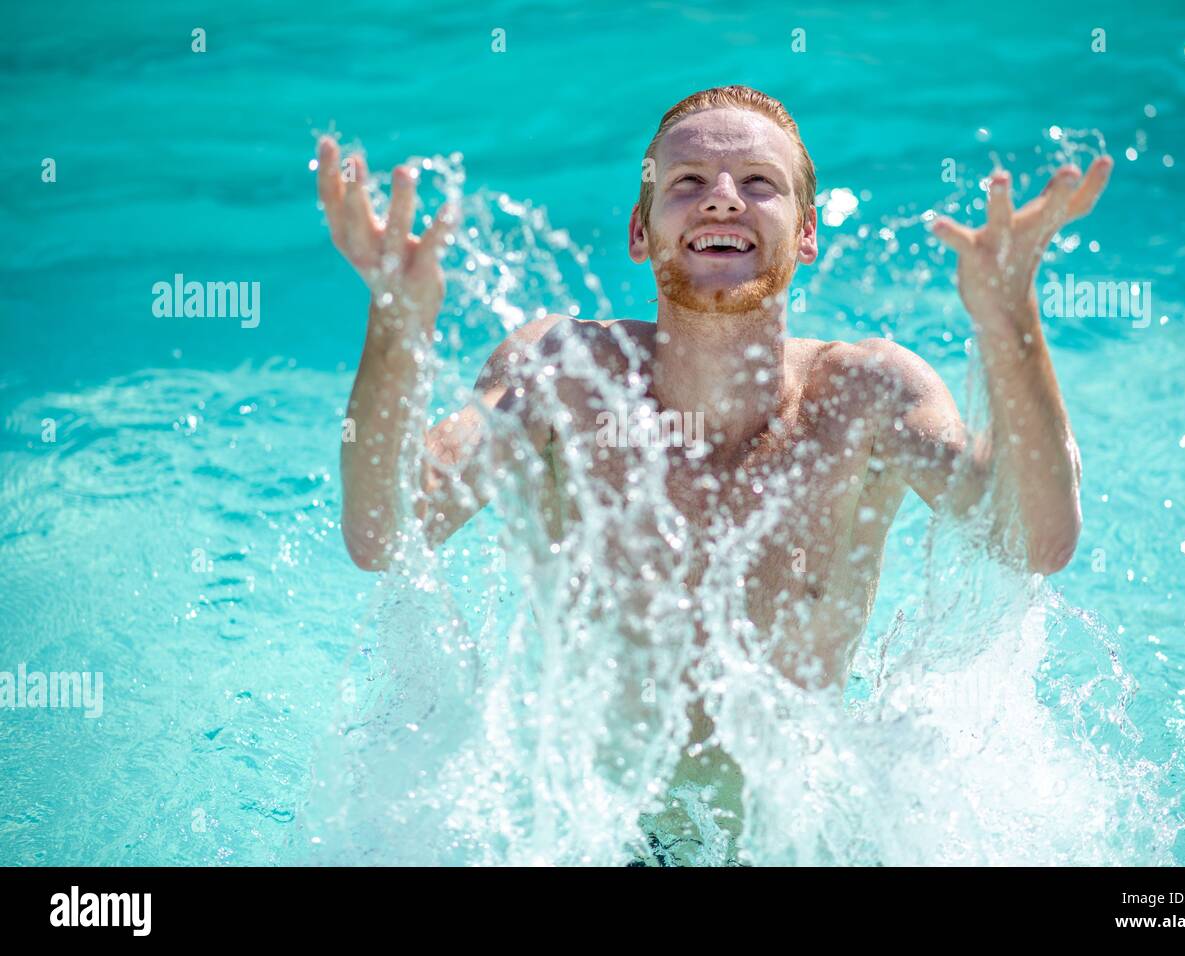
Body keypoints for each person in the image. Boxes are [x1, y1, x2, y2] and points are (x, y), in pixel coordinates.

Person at [315, 85, 1112, 862]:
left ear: (806, 235)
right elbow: (386, 531)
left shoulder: (868, 394)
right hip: (596, 835)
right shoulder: (565, 374)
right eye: (687, 183)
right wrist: (396, 324)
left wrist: (1010, 320)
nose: (723, 199)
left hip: (798, 836)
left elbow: (1034, 537)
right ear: (640, 229)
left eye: (759, 184)